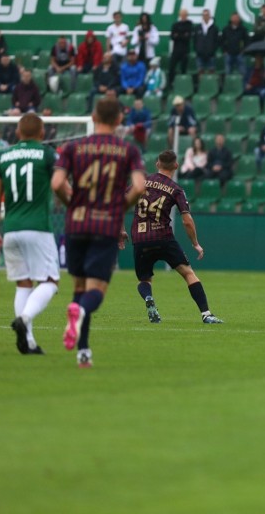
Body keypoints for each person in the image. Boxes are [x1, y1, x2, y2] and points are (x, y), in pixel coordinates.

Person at [51, 98, 146, 368]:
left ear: (93, 117)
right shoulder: (128, 150)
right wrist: (119, 208)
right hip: (104, 225)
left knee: (79, 288)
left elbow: (57, 182)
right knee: (96, 291)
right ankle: (80, 315)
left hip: (76, 224)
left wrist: (73, 204)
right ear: (119, 120)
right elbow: (139, 187)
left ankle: (83, 351)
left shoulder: (72, 147)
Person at [122, 150, 222, 324]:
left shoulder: (141, 182)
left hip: (140, 238)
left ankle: (148, 298)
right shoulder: (176, 189)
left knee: (144, 279)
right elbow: (187, 221)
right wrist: (195, 244)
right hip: (164, 238)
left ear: (157, 164)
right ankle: (206, 314)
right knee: (188, 274)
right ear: (176, 165)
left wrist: (120, 231)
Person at [0, 113, 59, 355]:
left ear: (17, 133)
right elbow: (59, 185)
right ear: (42, 134)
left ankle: (27, 343)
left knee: (23, 284)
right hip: (38, 227)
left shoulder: (3, 155)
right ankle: (25, 318)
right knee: (50, 282)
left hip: (11, 229)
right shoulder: (47, 154)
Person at [168, 9, 192, 89]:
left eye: (185, 14)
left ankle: (183, 85)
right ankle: (171, 84)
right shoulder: (175, 24)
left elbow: (188, 37)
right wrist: (182, 35)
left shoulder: (189, 24)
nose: (183, 16)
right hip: (176, 50)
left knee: (183, 69)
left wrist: (178, 35)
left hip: (185, 50)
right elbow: (172, 36)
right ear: (179, 15)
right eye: (182, 14)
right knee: (171, 68)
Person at [193, 9, 220, 74]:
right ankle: (201, 84)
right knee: (200, 71)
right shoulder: (197, 28)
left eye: (207, 15)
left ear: (209, 16)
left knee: (212, 71)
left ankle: (211, 84)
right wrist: (198, 49)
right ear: (202, 16)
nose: (205, 16)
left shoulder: (214, 28)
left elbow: (217, 41)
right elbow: (195, 40)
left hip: (211, 54)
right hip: (200, 54)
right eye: (204, 15)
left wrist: (212, 50)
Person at [222, 12, 249, 76]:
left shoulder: (243, 29)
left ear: (239, 19)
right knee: (227, 72)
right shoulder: (226, 29)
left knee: (243, 73)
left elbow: (247, 41)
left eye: (237, 18)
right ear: (231, 19)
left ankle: (243, 85)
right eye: (234, 18)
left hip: (240, 54)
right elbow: (222, 41)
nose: (235, 19)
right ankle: (227, 85)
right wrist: (224, 51)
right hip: (228, 54)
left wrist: (244, 50)